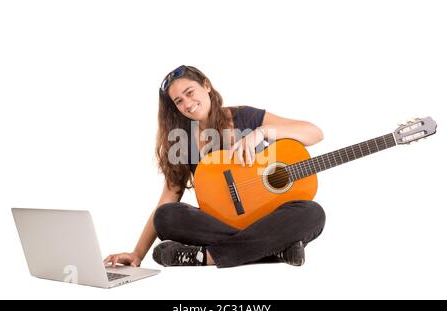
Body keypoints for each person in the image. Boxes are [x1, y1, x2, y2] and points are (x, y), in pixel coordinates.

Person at [104, 65, 326, 268]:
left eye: (189, 92)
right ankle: (273, 249)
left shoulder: (245, 117)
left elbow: (314, 133)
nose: (187, 104)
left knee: (313, 213)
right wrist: (137, 253)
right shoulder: (183, 141)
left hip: (267, 218)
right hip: (219, 222)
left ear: (206, 85)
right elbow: (167, 199)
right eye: (178, 101)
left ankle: (207, 257)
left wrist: (262, 132)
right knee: (166, 216)